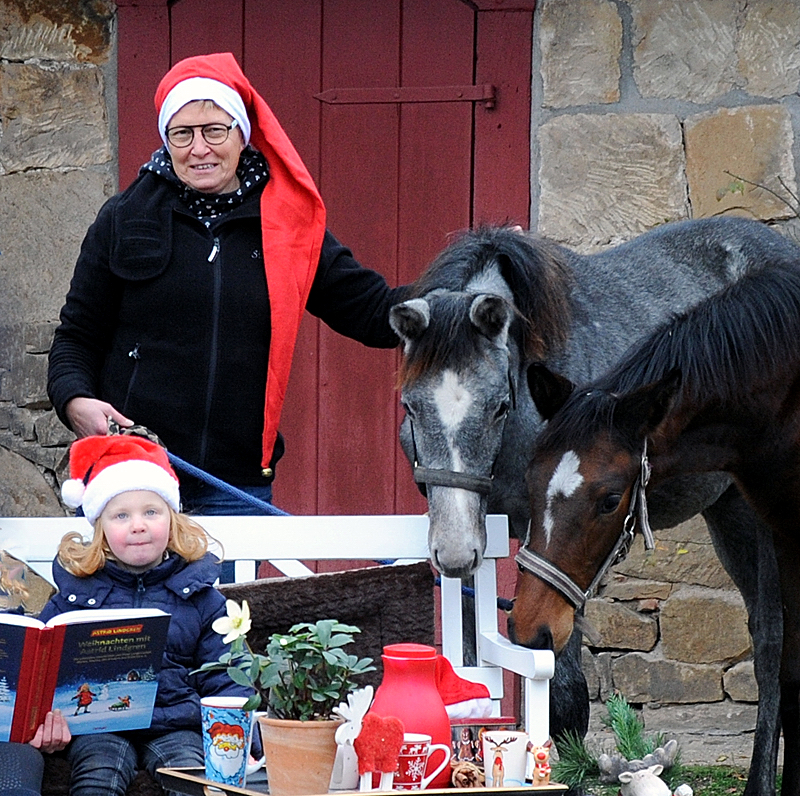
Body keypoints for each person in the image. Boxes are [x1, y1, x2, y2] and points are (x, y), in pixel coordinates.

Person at [47, 52, 407, 516]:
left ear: (241, 135)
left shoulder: (286, 225)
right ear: (166, 140)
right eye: (183, 133)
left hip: (233, 485)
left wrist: (470, 291)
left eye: (215, 130)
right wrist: (73, 399)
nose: (200, 148)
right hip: (133, 472)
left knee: (227, 595)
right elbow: (76, 337)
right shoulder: (124, 218)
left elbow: (376, 313)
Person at [37, 434, 255, 796]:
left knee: (191, 777)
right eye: (121, 515)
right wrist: (43, 722)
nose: (138, 525)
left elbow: (228, 675)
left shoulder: (202, 597)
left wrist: (244, 738)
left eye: (151, 512)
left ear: (172, 520)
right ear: (101, 531)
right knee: (97, 775)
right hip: (97, 727)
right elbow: (41, 669)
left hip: (177, 724)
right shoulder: (76, 595)